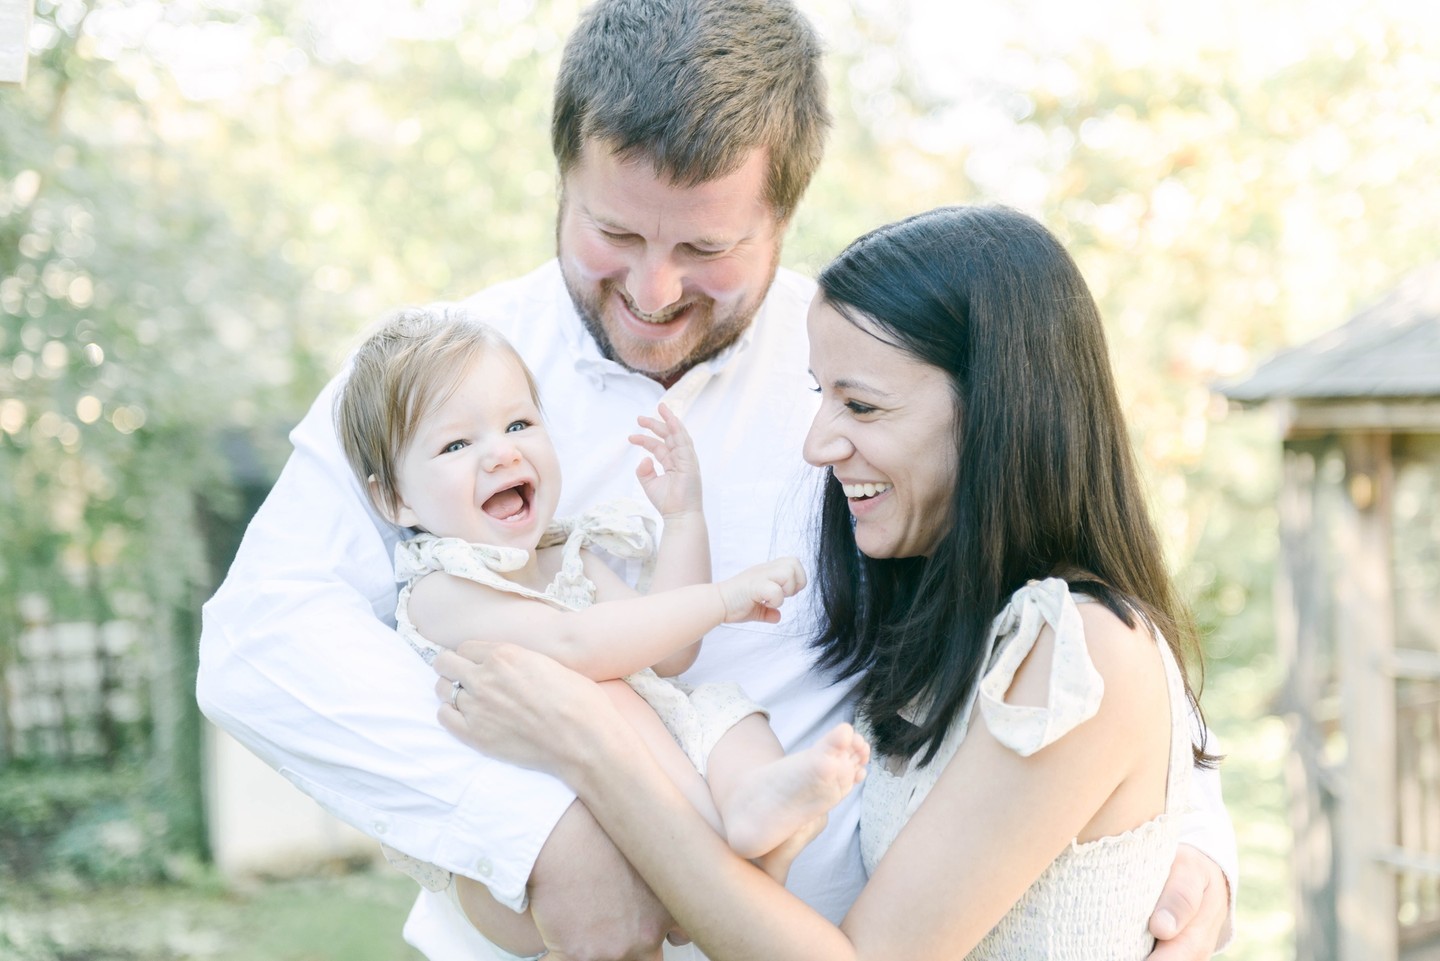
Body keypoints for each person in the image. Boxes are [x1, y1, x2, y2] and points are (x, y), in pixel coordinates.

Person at [197, 1, 1237, 958]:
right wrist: (545, 837)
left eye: (705, 246)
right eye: (614, 233)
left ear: (783, 213)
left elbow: (1057, 607)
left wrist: (1187, 839)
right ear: (563, 179)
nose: (652, 290)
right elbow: (260, 639)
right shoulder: (432, 380)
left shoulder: (856, 367)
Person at [434, 204, 1220, 959]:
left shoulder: (1083, 650)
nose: (817, 444)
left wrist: (592, 747)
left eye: (862, 405)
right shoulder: (954, 620)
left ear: (998, 412)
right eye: (822, 395)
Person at [332, 306, 868, 957]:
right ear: (395, 499)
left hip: (638, 788)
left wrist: (684, 518)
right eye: (455, 445)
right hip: (546, 842)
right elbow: (577, 646)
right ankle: (734, 859)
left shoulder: (568, 556)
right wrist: (722, 599)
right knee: (607, 688)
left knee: (727, 714)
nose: (502, 451)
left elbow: (669, 650)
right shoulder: (439, 588)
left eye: (518, 424)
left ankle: (754, 808)